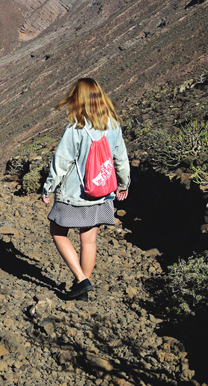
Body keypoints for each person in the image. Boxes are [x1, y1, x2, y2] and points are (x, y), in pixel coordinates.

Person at [41, 78, 130, 300]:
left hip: (74, 194)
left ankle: (81, 281)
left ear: (78, 99)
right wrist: (124, 183)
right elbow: (121, 158)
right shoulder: (113, 125)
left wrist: (48, 187)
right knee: (88, 240)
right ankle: (82, 290)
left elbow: (61, 160)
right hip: (102, 191)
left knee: (57, 231)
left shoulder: (76, 127)